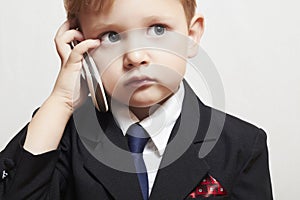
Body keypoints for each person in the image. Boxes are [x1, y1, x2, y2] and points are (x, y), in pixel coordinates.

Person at [0, 0, 273, 199]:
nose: (135, 56)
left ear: (191, 35)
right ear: (80, 46)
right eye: (111, 36)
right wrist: (61, 102)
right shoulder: (63, 136)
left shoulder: (241, 145)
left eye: (157, 29)